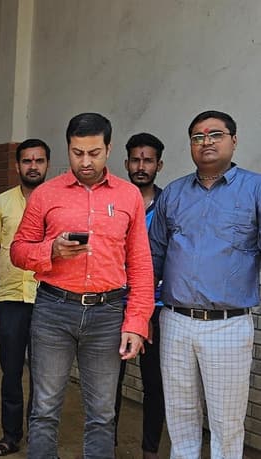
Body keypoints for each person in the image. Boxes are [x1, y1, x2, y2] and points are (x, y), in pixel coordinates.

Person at [11, 112, 153, 458]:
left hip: (107, 314)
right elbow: (18, 250)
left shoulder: (129, 196)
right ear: (68, 149)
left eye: (94, 153)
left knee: (103, 413)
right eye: (77, 153)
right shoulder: (45, 194)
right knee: (44, 408)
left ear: (109, 149)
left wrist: (137, 322)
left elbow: (140, 263)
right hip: (54, 311)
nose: (85, 162)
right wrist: (51, 250)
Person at [150, 110, 260, 458]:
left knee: (226, 424)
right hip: (175, 321)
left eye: (215, 135)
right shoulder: (174, 193)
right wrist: (141, 313)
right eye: (198, 137)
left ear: (234, 141)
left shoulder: (255, 189)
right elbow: (153, 256)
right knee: (180, 417)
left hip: (228, 325)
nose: (206, 142)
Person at [0, 138, 50, 457]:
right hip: (10, 299)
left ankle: (40, 439)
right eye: (27, 161)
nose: (33, 166)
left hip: (49, 300)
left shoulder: (57, 201)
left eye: (39, 160)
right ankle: (10, 436)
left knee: (44, 376)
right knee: (11, 372)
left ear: (47, 164)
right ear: (17, 165)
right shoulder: (1, 203)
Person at [113, 132, 165, 459]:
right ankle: (106, 447)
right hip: (115, 305)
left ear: (159, 165)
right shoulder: (115, 201)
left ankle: (150, 451)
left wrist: (147, 311)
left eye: (148, 160)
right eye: (135, 160)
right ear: (126, 163)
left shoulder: (168, 204)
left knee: (154, 385)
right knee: (108, 384)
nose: (141, 166)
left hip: (157, 308)